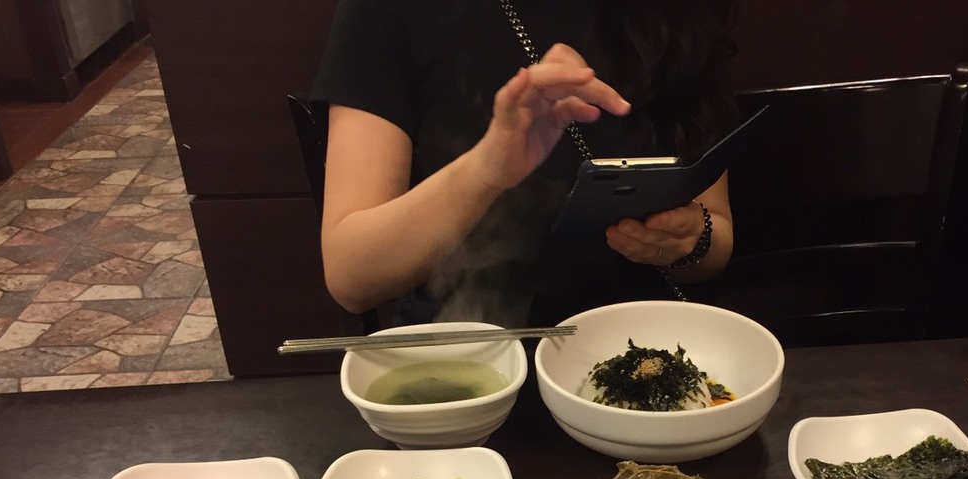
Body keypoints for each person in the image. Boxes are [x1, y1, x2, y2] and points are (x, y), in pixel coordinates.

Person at [310, 1, 739, 328]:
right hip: (469, 361)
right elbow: (352, 273)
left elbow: (714, 234)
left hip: (650, 341)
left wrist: (687, 241)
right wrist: (487, 168)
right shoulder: (390, 11)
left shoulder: (678, 12)